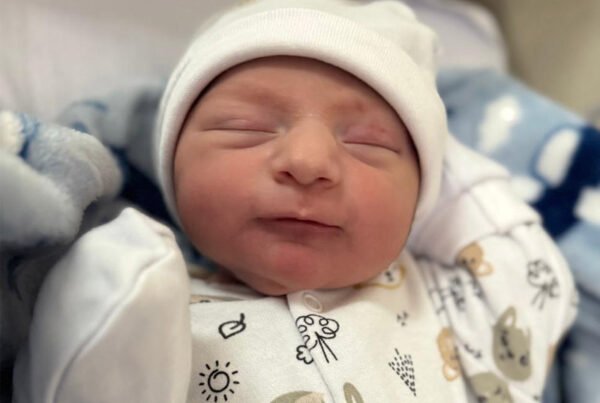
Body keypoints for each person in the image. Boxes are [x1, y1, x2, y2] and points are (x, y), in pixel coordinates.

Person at [12, 1, 573, 402]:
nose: (308, 161)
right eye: (246, 127)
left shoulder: (449, 300)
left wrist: (444, 158)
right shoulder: (138, 288)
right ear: (171, 166)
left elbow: (532, 277)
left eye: (370, 143)